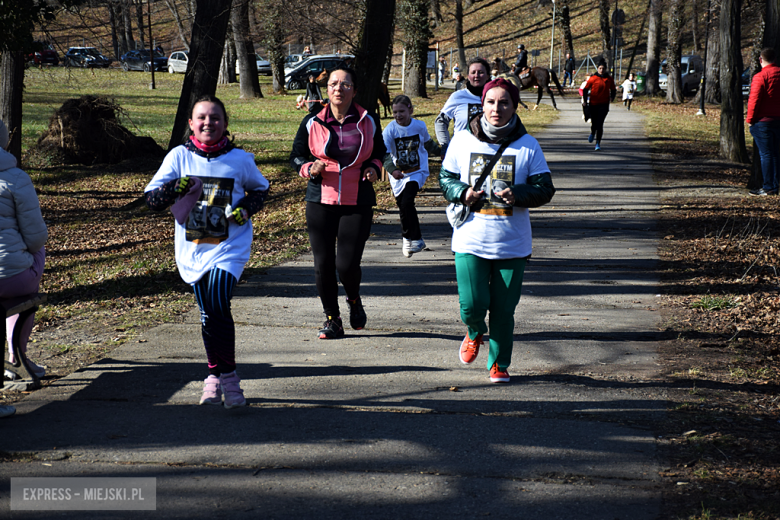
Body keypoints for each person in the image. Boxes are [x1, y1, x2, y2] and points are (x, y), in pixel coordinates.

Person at [145, 95, 270, 408]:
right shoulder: (178, 157)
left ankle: (229, 379)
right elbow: (152, 200)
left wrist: (244, 209)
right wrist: (176, 187)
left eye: (215, 118)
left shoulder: (240, 159)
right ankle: (213, 374)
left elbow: (260, 189)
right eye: (201, 117)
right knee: (208, 313)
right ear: (190, 123)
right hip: (193, 249)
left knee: (216, 299)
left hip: (230, 246)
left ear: (225, 123)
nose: (208, 123)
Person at [439, 78, 555, 383]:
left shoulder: (528, 144)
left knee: (504, 310)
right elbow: (445, 178)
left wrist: (518, 194)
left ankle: (499, 363)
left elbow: (545, 189)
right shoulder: (463, 139)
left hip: (512, 244)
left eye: (504, 102)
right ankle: (474, 331)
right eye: (491, 102)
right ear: (482, 105)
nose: (496, 108)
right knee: (473, 304)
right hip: (470, 238)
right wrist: (463, 193)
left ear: (514, 106)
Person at [289, 67, 386, 339]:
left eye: (345, 84)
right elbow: (296, 156)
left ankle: (353, 299)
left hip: (357, 199)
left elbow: (379, 151)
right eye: (333, 84)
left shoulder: (368, 120)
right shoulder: (312, 121)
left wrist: (374, 167)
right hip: (321, 199)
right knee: (323, 264)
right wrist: (309, 167)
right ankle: (332, 319)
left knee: (346, 265)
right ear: (326, 88)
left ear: (354, 90)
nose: (338, 89)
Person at [0, 119, 48, 418]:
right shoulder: (16, 179)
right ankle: (16, 355)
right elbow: (35, 236)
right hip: (12, 278)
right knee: (37, 253)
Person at [382, 95, 441, 257]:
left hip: (417, 171)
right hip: (398, 174)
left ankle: (417, 238)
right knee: (403, 207)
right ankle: (407, 239)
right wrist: (393, 170)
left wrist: (442, 153)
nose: (398, 115)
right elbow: (385, 155)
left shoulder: (419, 126)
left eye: (401, 111)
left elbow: (428, 144)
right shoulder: (389, 130)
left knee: (408, 201)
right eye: (395, 112)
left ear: (410, 109)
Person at [435, 57, 491, 156]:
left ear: (487, 76)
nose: (476, 75)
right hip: (461, 153)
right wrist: (445, 145)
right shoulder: (458, 96)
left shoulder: (494, 97)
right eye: (473, 72)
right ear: (468, 76)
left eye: (481, 72)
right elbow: (440, 121)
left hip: (488, 152)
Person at [747, 47, 780, 197]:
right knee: (776, 154)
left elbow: (754, 100)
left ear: (761, 60)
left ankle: (768, 187)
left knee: (766, 154)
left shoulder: (760, 77)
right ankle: (775, 184)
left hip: (763, 122)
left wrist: (750, 120)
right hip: (778, 121)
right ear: (774, 59)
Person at [582, 60, 616, 150]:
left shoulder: (609, 79)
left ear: (606, 69)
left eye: (603, 68)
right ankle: (593, 133)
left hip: (604, 105)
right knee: (594, 123)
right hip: (593, 104)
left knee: (600, 124)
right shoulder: (593, 78)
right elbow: (585, 90)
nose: (601, 70)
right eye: (600, 68)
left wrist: (612, 97)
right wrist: (585, 101)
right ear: (597, 69)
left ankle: (597, 143)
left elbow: (613, 89)